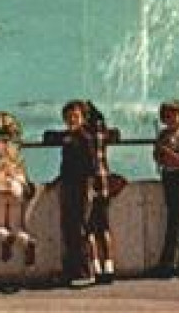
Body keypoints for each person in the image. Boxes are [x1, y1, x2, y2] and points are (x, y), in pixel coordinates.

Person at [43, 100, 96, 288]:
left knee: (79, 230)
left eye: (75, 116)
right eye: (68, 117)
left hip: (80, 187)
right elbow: (67, 166)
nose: (71, 120)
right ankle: (71, 271)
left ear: (83, 118)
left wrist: (88, 190)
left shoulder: (85, 138)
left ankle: (85, 271)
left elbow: (91, 167)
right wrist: (57, 181)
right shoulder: (69, 138)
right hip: (68, 186)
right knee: (69, 229)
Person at [149, 99, 179, 279]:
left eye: (174, 115)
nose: (170, 119)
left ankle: (170, 264)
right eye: (167, 116)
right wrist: (159, 152)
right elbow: (157, 157)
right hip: (168, 177)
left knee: (177, 223)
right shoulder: (163, 134)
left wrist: (167, 152)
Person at [0, 111, 35, 271]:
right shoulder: (15, 145)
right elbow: (22, 169)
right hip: (16, 186)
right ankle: (27, 241)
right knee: (17, 227)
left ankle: (6, 238)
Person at [84, 103, 123, 285]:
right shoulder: (103, 134)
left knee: (90, 229)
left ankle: (96, 266)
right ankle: (109, 266)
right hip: (104, 182)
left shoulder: (84, 136)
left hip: (89, 184)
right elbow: (115, 134)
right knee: (104, 227)